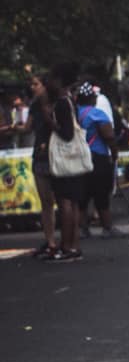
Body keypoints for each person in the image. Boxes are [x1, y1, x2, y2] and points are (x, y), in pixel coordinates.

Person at [46, 62, 88, 262]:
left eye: (53, 79)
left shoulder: (62, 103)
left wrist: (51, 123)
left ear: (60, 81)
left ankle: (67, 246)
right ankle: (74, 246)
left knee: (65, 204)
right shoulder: (71, 100)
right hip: (75, 161)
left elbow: (67, 133)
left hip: (65, 161)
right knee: (73, 203)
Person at [17, 73, 57, 258]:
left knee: (60, 200)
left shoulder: (57, 104)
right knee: (46, 201)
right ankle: (50, 240)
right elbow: (27, 128)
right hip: (42, 154)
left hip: (55, 153)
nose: (33, 87)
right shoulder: (35, 105)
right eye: (31, 84)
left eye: (36, 84)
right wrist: (13, 128)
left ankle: (60, 240)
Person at [76, 82, 124, 238]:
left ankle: (82, 229)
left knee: (82, 195)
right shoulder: (97, 114)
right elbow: (109, 137)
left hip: (78, 157)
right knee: (101, 194)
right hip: (98, 158)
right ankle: (107, 227)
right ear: (92, 99)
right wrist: (115, 154)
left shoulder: (73, 114)